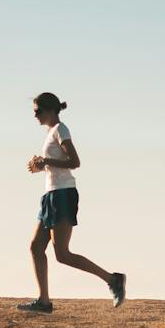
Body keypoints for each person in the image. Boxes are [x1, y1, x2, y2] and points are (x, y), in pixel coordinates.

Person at [23, 91, 125, 311]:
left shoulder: (61, 129)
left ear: (50, 110)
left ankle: (113, 279)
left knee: (62, 254)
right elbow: (57, 164)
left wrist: (45, 161)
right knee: (35, 247)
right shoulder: (51, 132)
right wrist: (41, 165)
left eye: (38, 111)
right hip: (50, 194)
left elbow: (74, 161)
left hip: (63, 195)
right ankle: (44, 301)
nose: (35, 116)